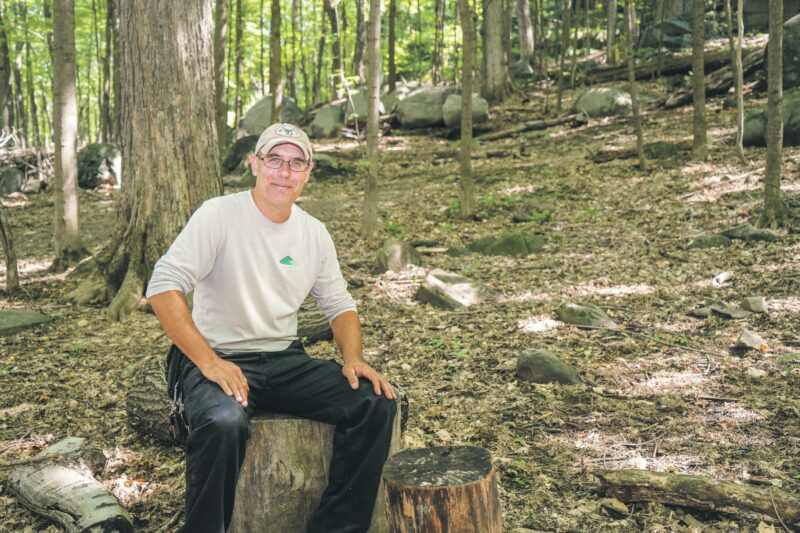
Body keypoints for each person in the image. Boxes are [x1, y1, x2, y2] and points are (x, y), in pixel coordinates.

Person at [146, 123, 397, 533]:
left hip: (283, 359)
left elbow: (339, 304)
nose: (285, 171)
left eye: (296, 162)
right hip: (217, 356)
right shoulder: (219, 215)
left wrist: (353, 359)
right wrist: (209, 363)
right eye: (275, 160)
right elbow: (162, 287)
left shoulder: (313, 233)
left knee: (376, 402)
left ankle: (336, 527)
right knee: (224, 423)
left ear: (308, 172)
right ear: (255, 165)